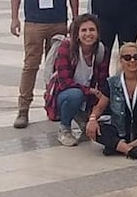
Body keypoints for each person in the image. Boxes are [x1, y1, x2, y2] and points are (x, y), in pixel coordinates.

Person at [10, 0, 79, 129]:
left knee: (58, 68)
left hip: (59, 21)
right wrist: (14, 17)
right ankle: (23, 109)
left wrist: (76, 20)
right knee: (30, 65)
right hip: (34, 22)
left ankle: (54, 106)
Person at [88, 42, 137, 161]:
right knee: (96, 129)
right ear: (121, 60)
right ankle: (132, 150)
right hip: (119, 131)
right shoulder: (112, 83)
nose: (132, 60)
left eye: (136, 57)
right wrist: (92, 119)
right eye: (127, 57)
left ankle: (122, 147)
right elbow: (99, 108)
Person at [45, 13, 111, 146]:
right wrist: (90, 91)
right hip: (63, 94)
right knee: (75, 94)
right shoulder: (66, 48)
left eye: (92, 30)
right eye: (84, 30)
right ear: (77, 33)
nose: (88, 34)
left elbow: (104, 81)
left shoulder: (101, 50)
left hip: (87, 97)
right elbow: (64, 83)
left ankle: (83, 117)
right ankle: (65, 128)